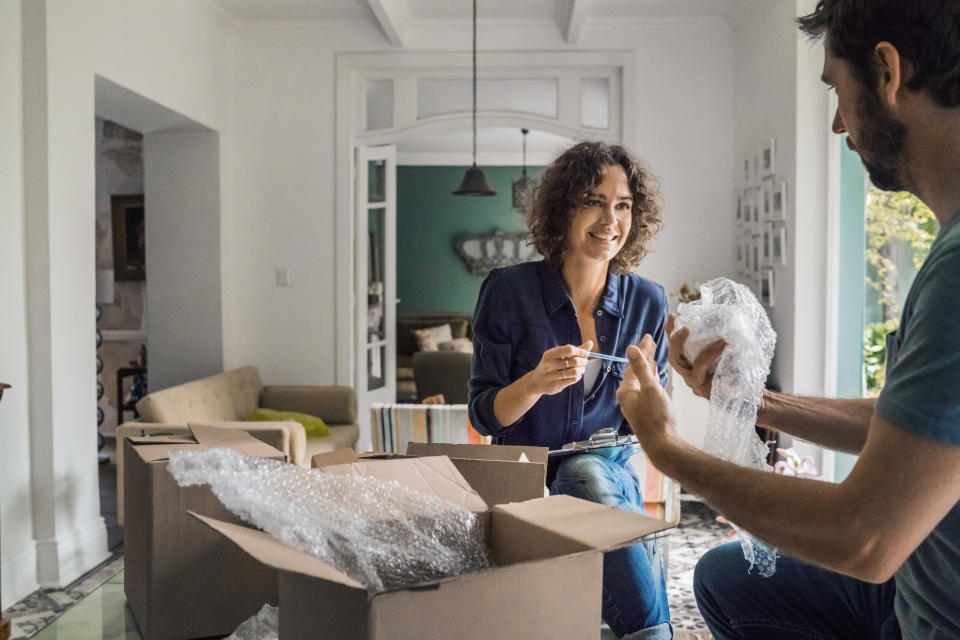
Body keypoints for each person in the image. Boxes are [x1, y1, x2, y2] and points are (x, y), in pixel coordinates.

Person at [615, 2, 960, 638]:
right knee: (726, 576)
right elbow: (911, 427)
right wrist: (758, 401)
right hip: (910, 586)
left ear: (887, 73)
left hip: (932, 616)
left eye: (836, 88)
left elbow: (865, 538)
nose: (837, 123)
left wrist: (664, 447)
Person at [468, 141, 673, 640]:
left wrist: (639, 399)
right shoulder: (507, 290)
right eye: (593, 200)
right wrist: (534, 384)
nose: (611, 219)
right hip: (522, 485)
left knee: (585, 473)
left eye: (622, 204)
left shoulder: (648, 301)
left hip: (606, 481)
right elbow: (483, 416)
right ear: (564, 208)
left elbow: (656, 431)